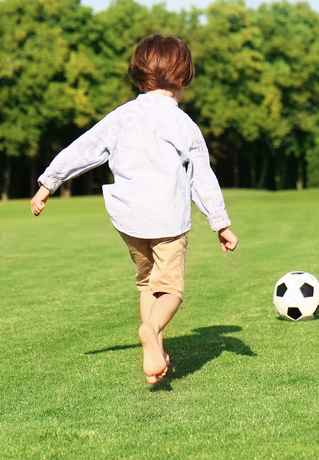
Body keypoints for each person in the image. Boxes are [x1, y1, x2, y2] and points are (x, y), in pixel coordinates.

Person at [30, 34, 239, 384]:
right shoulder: (183, 124)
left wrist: (49, 181)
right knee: (171, 289)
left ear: (139, 74)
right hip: (167, 219)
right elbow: (202, 178)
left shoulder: (121, 116)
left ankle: (153, 347)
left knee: (146, 283)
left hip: (128, 219)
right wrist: (220, 223)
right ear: (183, 77)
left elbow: (86, 148)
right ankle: (151, 331)